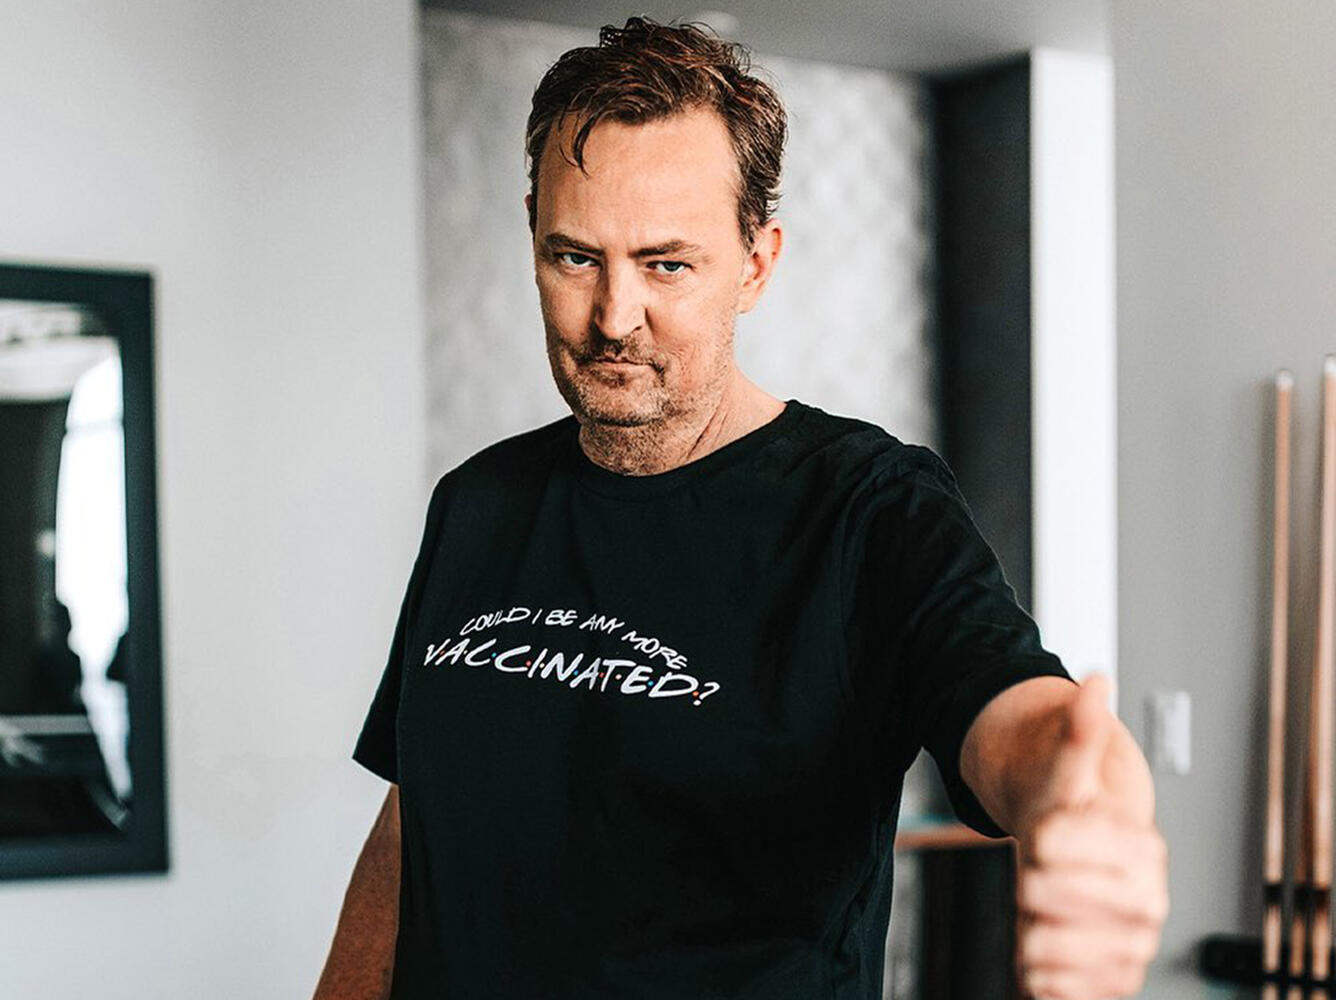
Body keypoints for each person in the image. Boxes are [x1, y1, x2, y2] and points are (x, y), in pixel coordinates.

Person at [313, 17, 1166, 1000]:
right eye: (575, 257)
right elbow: (411, 828)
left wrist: (1084, 807)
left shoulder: (868, 507)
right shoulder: (477, 504)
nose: (614, 317)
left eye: (666, 263)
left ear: (756, 262)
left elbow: (1015, 717)